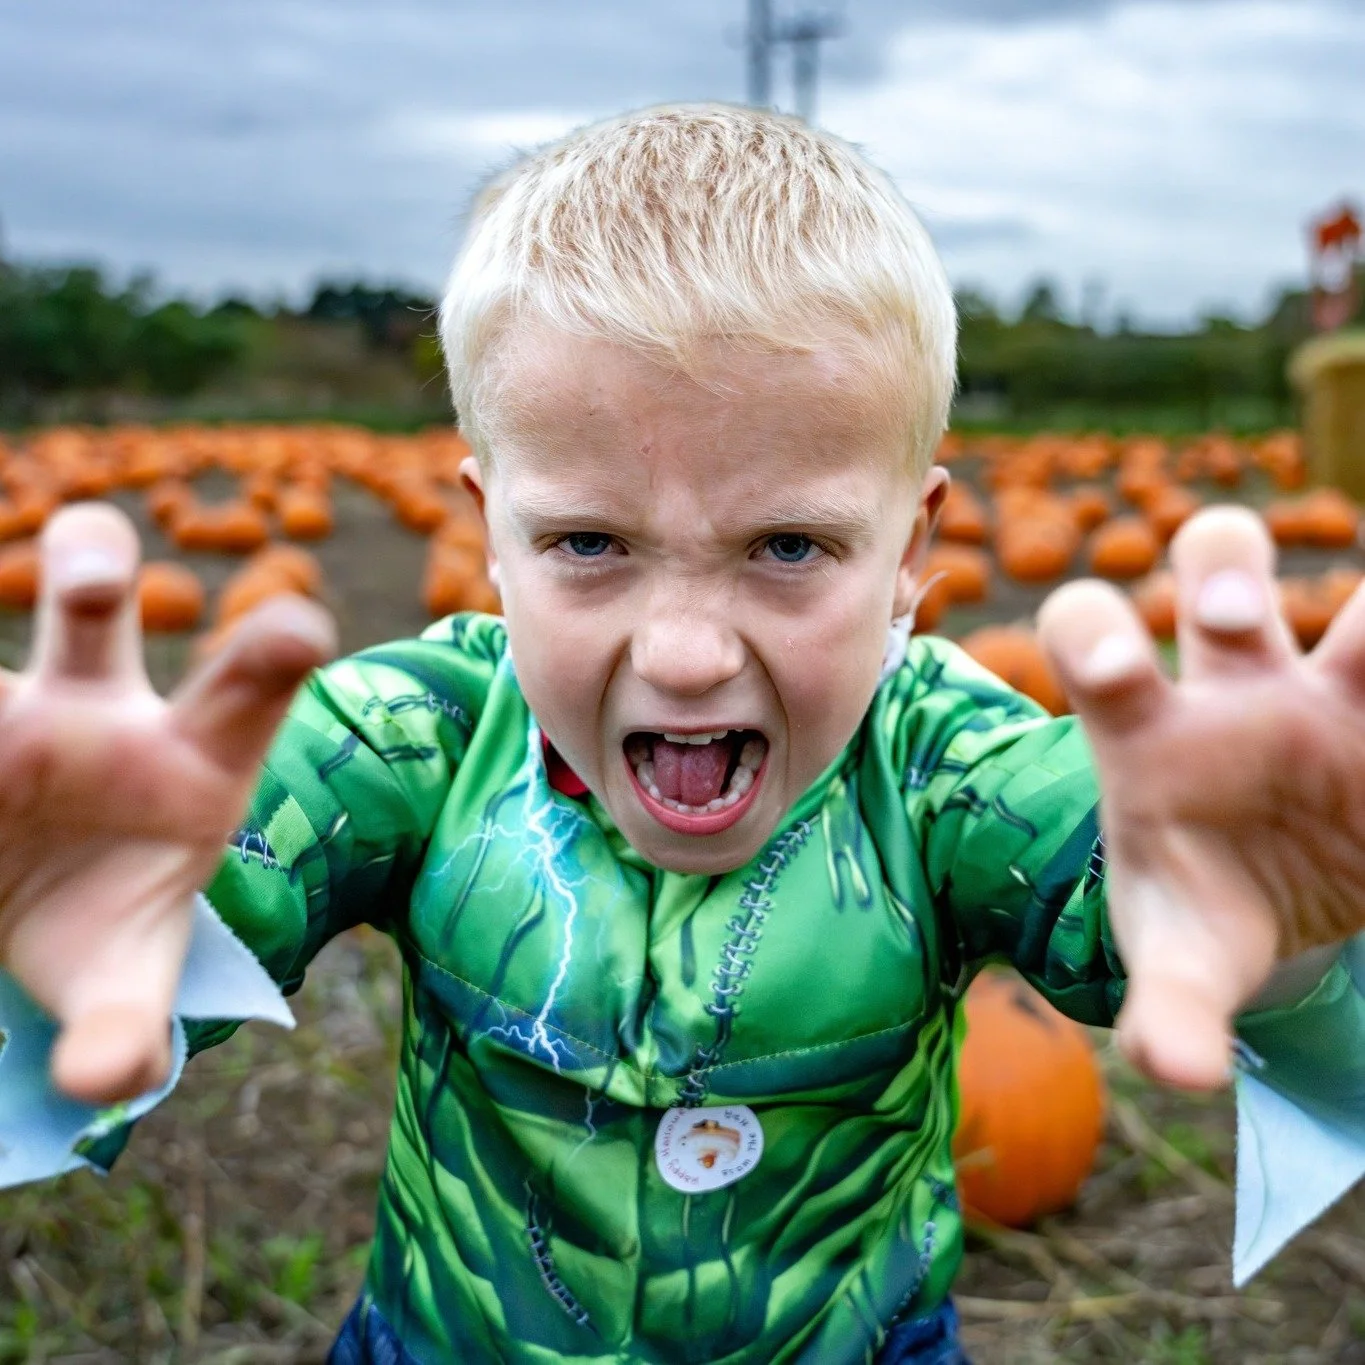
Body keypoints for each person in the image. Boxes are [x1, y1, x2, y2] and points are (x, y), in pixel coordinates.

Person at [2, 103, 1365, 1365]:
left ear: (911, 551)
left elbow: (1105, 854)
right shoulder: (423, 734)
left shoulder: (938, 766)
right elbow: (241, 845)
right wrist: (119, 892)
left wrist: (1272, 912)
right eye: (589, 544)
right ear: (490, 536)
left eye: (789, 546)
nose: (686, 653)